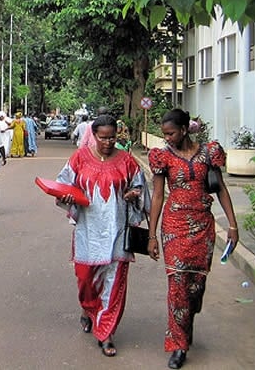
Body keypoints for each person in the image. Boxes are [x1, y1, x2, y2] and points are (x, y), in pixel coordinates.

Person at [147, 109, 239, 369]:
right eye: (164, 134)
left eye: (171, 133)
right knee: (177, 286)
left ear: (185, 130)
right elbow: (157, 196)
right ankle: (178, 345)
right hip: (174, 226)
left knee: (195, 287)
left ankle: (190, 312)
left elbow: (220, 188)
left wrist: (232, 225)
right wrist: (152, 235)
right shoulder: (162, 156)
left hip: (202, 226)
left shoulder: (209, 153)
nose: (167, 138)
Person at [56, 115, 151, 358]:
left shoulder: (128, 161)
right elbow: (63, 185)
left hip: (118, 231)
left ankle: (106, 331)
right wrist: (67, 196)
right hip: (88, 231)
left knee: (114, 283)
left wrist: (134, 194)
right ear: (94, 136)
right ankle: (88, 309)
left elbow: (141, 190)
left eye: (112, 137)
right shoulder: (79, 158)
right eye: (103, 137)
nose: (108, 142)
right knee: (85, 280)